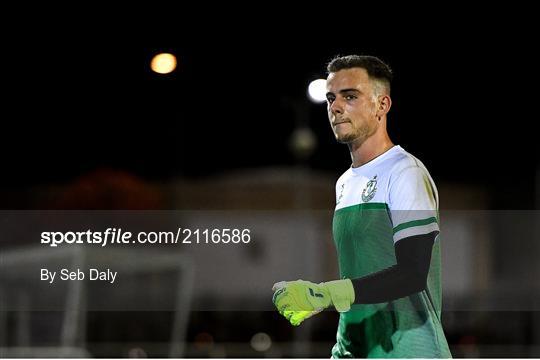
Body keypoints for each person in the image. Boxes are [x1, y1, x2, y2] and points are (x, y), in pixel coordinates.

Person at [272, 55, 452, 358]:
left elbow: (412, 273)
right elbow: (357, 276)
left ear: (382, 105)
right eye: (331, 98)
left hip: (411, 353)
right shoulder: (344, 183)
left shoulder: (406, 172)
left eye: (350, 96)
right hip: (356, 351)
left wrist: (326, 294)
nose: (336, 107)